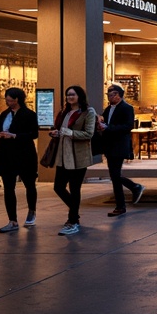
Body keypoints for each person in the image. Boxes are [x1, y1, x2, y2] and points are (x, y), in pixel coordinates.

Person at [49, 85, 97, 235]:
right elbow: (62, 130)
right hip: (63, 155)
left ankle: (72, 221)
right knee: (58, 187)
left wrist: (70, 133)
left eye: (73, 94)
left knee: (75, 189)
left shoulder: (88, 112)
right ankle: (74, 214)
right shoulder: (65, 112)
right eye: (68, 95)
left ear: (79, 96)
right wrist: (57, 133)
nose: (70, 97)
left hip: (78, 156)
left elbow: (89, 133)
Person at [0, 87, 38, 233]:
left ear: (17, 100)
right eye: (6, 100)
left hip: (25, 155)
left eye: (10, 100)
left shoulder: (29, 114)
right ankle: (12, 220)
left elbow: (33, 134)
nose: (8, 102)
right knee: (8, 187)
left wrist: (14, 136)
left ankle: (31, 211)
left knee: (29, 184)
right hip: (6, 155)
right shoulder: (4, 114)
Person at [98, 83, 145, 216]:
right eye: (108, 94)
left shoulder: (126, 108)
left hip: (119, 146)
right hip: (109, 145)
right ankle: (134, 188)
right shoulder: (108, 109)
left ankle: (121, 205)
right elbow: (106, 122)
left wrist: (108, 128)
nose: (109, 96)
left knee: (114, 175)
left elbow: (128, 126)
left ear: (118, 95)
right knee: (114, 175)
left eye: (111, 94)